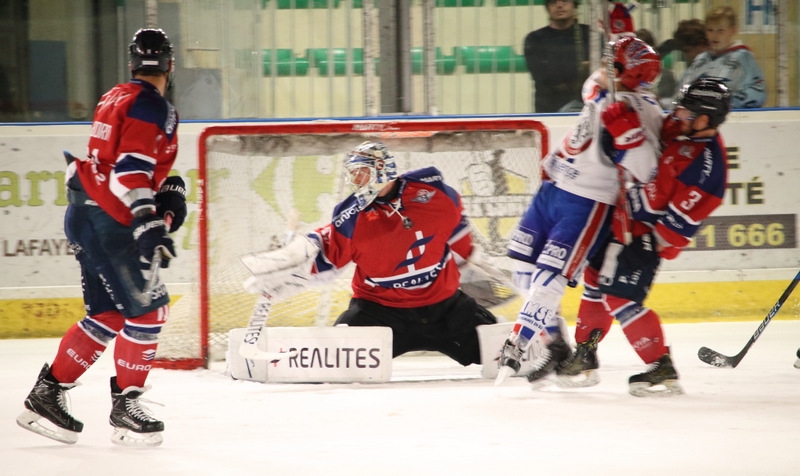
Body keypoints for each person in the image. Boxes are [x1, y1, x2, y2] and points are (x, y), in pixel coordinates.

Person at [16, 28, 185, 447]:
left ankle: (47, 395)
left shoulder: (115, 96)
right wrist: (146, 219)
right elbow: (130, 170)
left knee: (109, 314)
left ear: (132, 64)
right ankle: (127, 407)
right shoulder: (153, 105)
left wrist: (166, 189)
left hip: (85, 212)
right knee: (149, 312)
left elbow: (116, 163)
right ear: (170, 65)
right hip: (111, 222)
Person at [496, 36, 664, 383]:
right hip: (553, 188)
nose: (602, 67)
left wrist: (629, 136)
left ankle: (519, 340)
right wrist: (618, 47)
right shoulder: (601, 88)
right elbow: (592, 85)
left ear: (630, 74)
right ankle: (555, 344)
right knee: (524, 267)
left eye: (611, 63)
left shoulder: (645, 110)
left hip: (587, 201)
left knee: (552, 275)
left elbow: (648, 170)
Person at [242, 141, 498, 367]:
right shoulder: (352, 217)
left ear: (382, 168)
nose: (356, 181)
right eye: (353, 174)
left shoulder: (435, 195)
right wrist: (291, 273)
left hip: (446, 309)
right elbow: (327, 259)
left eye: (361, 172)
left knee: (507, 354)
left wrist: (470, 264)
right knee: (336, 363)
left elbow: (458, 233)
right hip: (380, 313)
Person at [552, 78, 732, 397]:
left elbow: (676, 219)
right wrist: (628, 126)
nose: (677, 114)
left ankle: (660, 365)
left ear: (705, 119)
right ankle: (585, 353)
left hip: (647, 236)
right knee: (594, 281)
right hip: (623, 219)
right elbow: (649, 147)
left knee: (620, 297)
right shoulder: (681, 128)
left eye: (687, 112)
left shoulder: (707, 167)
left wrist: (649, 244)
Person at [680, 6, 765, 108]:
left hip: (733, 115)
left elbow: (757, 91)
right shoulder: (701, 59)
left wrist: (725, 105)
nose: (714, 35)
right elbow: (683, 88)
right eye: (710, 30)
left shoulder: (743, 57)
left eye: (720, 30)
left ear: (733, 30)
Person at [523, 0, 591, 113]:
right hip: (549, 110)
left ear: (574, 5)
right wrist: (581, 69)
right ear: (547, 8)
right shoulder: (535, 39)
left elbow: (597, 72)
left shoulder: (591, 35)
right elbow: (542, 76)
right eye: (553, 2)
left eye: (565, 1)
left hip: (587, 107)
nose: (559, 5)